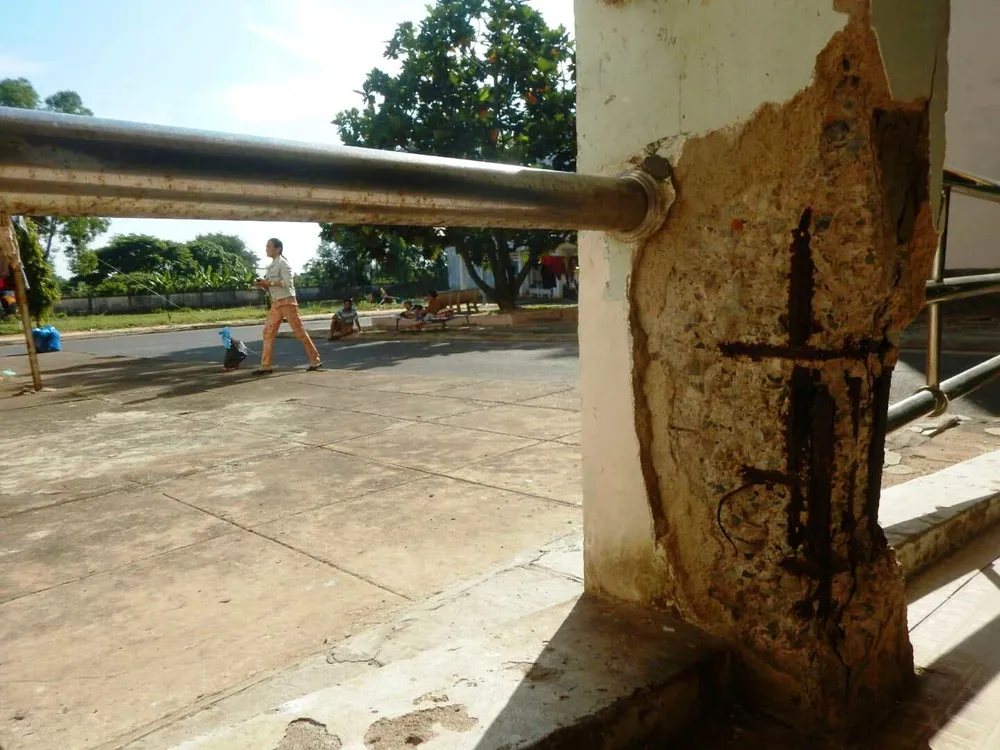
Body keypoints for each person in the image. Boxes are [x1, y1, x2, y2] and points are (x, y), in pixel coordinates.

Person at [254, 238, 321, 375]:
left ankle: (315, 360)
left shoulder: (283, 263)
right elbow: (271, 286)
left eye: (269, 246)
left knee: (299, 332)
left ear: (278, 249)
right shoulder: (271, 266)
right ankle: (266, 365)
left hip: (287, 302)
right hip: (276, 303)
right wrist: (263, 285)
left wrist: (269, 283)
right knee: (267, 332)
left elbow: (287, 283)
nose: (266, 249)